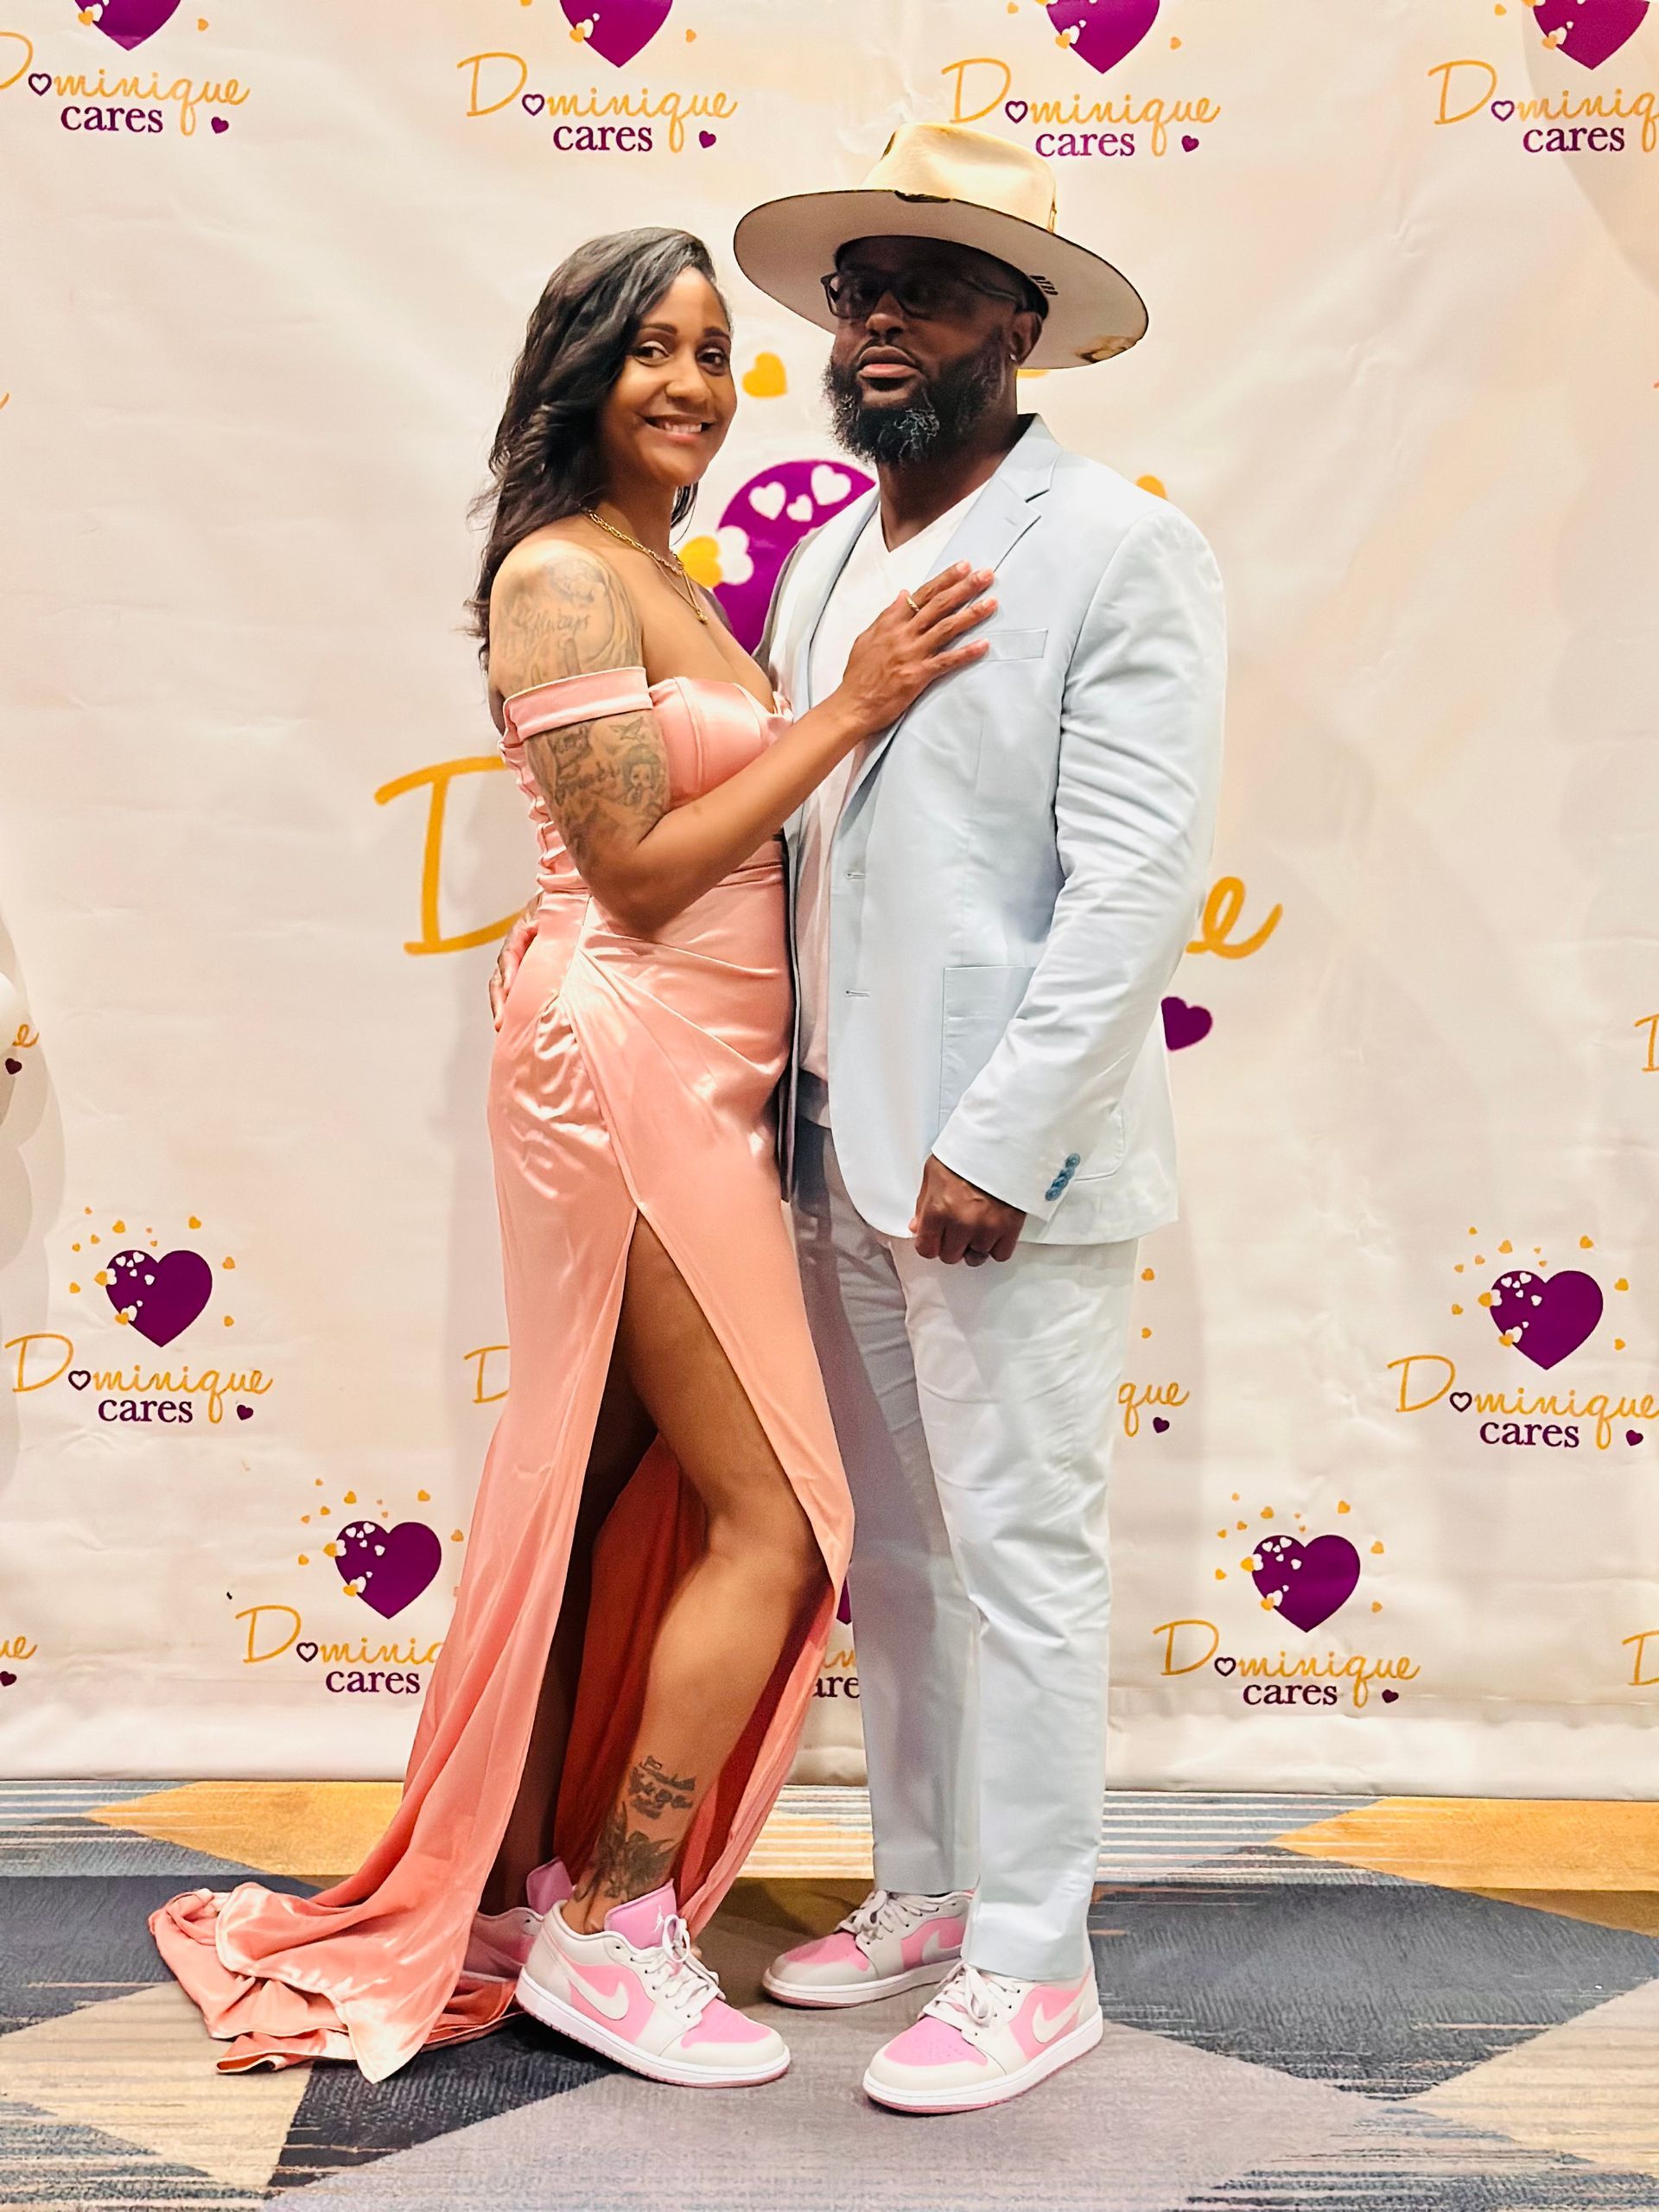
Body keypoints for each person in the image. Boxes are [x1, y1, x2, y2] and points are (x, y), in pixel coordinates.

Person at [149, 226, 995, 2087]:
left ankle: (534, 1885)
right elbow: (634, 870)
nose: (693, 383)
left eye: (713, 350)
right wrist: (851, 705)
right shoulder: (557, 576)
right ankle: (618, 1929)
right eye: (653, 352)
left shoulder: (668, 572)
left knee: (621, 1494)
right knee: (784, 1519)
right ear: (578, 374)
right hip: (618, 1054)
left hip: (706, 1069)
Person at [733, 124, 1227, 2112]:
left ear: (1022, 325)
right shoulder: (829, 557)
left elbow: (1131, 885)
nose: (880, 318)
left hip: (999, 1172)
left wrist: (999, 1143)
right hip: (837, 1141)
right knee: (907, 1555)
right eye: (860, 287)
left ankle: (1039, 1954)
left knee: (1022, 1548)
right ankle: (930, 1887)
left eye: (930, 284)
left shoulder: (1118, 543)